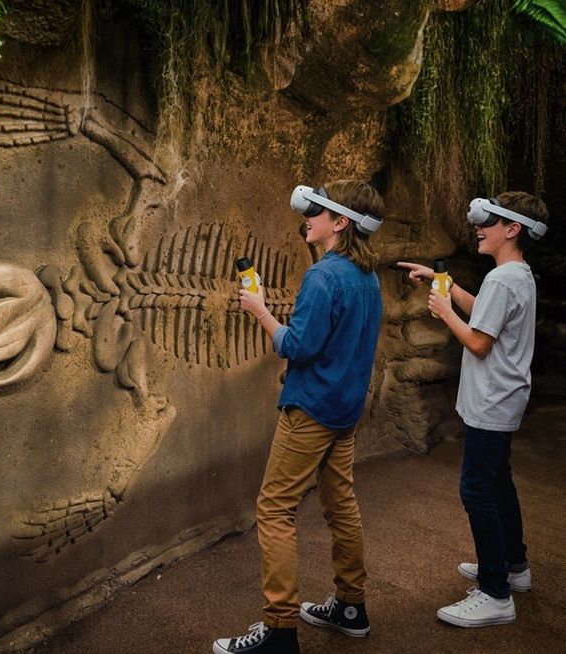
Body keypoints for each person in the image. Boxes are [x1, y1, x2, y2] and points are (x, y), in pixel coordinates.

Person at [213, 180, 385, 654]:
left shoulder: (325, 277)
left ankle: (280, 631)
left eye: (317, 212)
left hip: (310, 410)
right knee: (340, 503)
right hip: (345, 411)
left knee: (273, 508)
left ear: (341, 222)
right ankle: (352, 607)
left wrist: (261, 311)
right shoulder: (367, 277)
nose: (307, 218)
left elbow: (297, 345)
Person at [398, 191, 549, 628]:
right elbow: (486, 314)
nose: (478, 229)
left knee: (477, 490)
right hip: (504, 397)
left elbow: (480, 342)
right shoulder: (516, 275)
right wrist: (441, 284)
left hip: (492, 400)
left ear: (512, 229)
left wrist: (443, 311)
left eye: (488, 222)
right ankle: (513, 569)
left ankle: (495, 593)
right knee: (498, 481)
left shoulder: (504, 280)